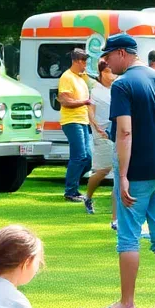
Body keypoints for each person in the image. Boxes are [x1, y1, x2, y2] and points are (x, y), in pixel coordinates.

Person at [92, 34, 155, 308]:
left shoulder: (122, 85)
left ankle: (126, 303)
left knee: (128, 237)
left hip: (138, 171)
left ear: (122, 53)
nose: (106, 63)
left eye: (108, 56)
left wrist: (122, 175)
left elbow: (124, 131)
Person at [57, 49, 93, 204]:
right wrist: (84, 102)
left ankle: (72, 182)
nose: (85, 65)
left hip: (83, 120)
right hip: (71, 121)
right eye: (84, 61)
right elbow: (65, 101)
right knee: (79, 156)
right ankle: (71, 191)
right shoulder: (66, 77)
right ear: (77, 61)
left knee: (88, 158)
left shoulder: (81, 78)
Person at [84, 58, 116, 219]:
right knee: (103, 170)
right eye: (109, 72)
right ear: (102, 73)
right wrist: (96, 127)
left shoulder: (117, 88)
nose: (113, 75)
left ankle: (117, 207)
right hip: (102, 134)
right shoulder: (96, 90)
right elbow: (90, 111)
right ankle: (88, 197)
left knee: (118, 168)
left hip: (116, 132)